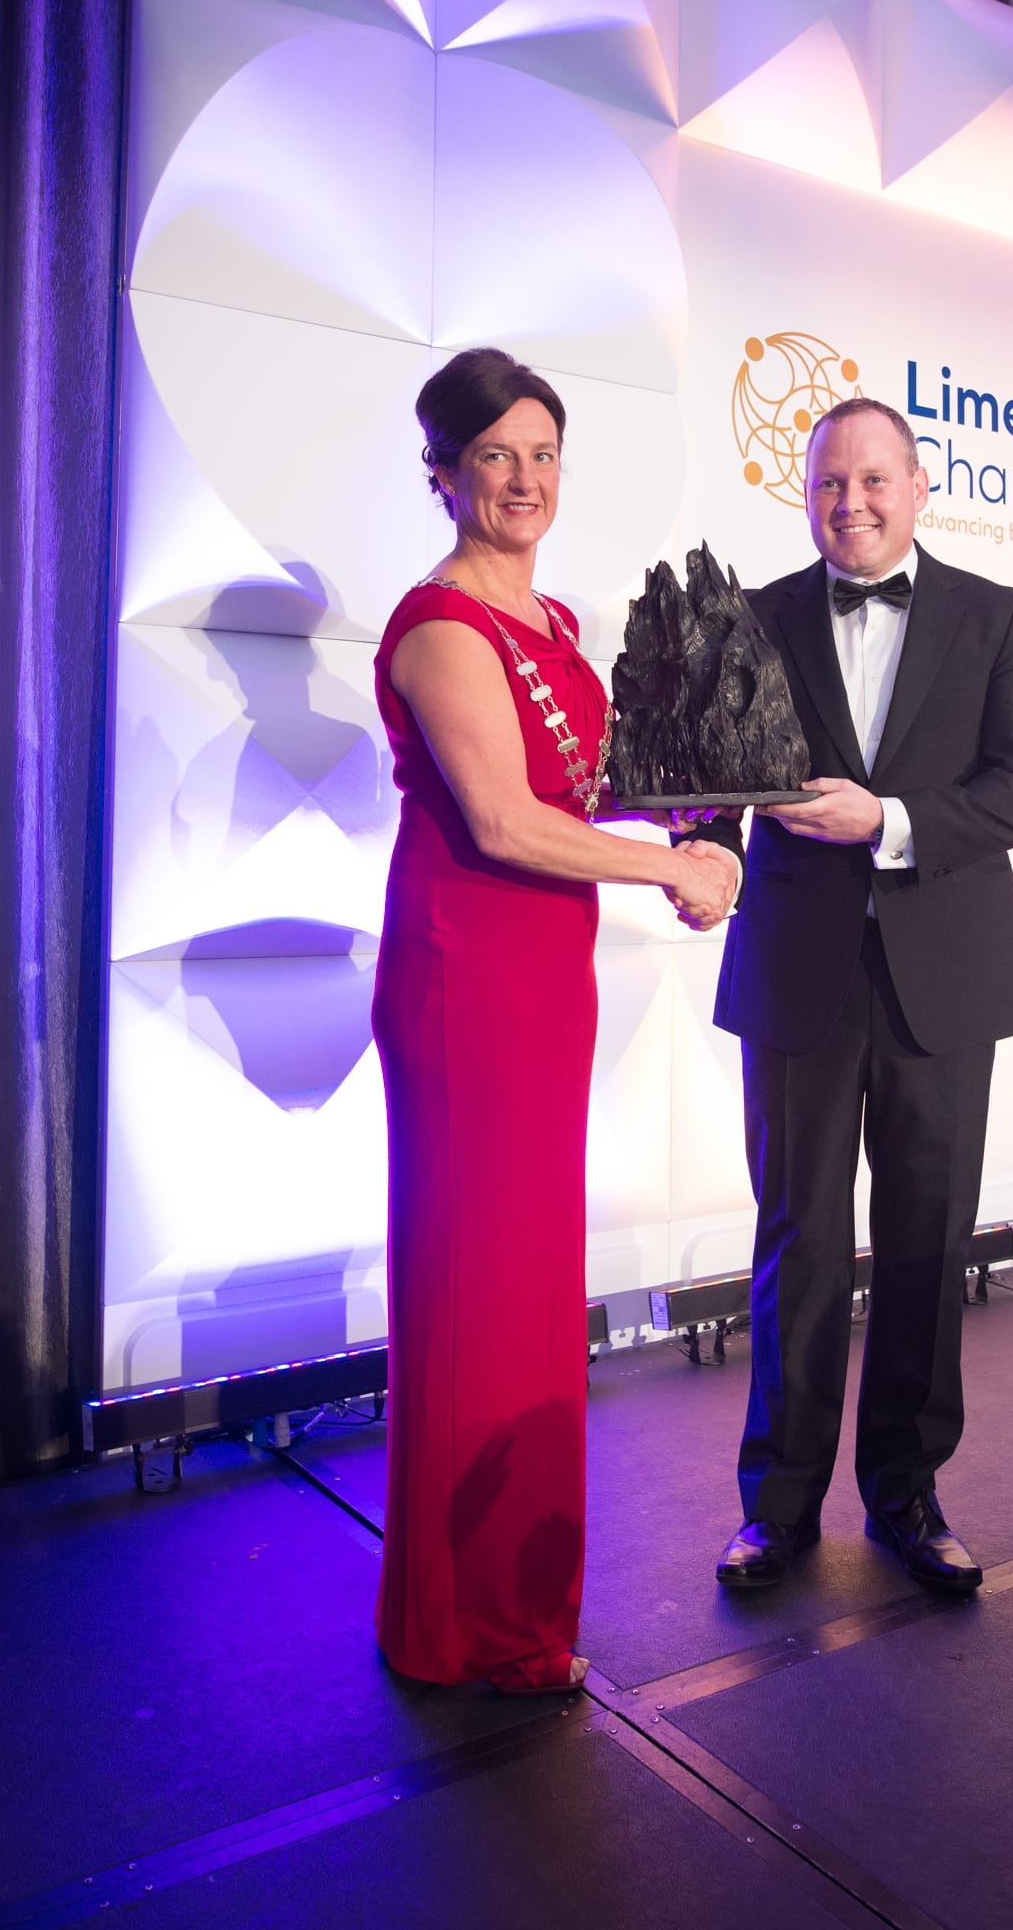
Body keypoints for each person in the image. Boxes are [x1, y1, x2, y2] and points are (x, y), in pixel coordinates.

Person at [371, 347, 735, 1692]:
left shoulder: (562, 625)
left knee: (523, 1292)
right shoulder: (439, 626)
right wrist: (671, 867)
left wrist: (718, 827)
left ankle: (513, 1609)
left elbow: (598, 792)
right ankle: (460, 1627)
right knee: (474, 1290)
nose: (523, 479)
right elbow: (509, 823)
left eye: (542, 454)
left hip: (544, 979)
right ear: (444, 477)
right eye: (494, 457)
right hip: (466, 976)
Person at [698, 396, 1013, 1595]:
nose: (848, 504)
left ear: (919, 486)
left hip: (944, 981)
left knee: (924, 1242)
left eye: (870, 482)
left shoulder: (997, 617)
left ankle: (906, 1494)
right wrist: (692, 857)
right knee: (797, 1242)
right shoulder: (749, 619)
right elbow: (710, 787)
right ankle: (780, 1506)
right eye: (825, 487)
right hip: (797, 973)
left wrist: (890, 821)